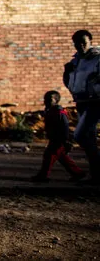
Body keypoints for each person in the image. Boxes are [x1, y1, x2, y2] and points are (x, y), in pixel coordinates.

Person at [63, 29, 100, 185]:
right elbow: (70, 83)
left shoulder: (97, 58)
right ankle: (96, 175)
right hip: (81, 102)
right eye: (77, 44)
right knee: (88, 137)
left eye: (84, 43)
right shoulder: (76, 61)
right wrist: (66, 74)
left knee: (81, 135)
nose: (81, 46)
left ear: (90, 42)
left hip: (96, 101)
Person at [31, 90, 86, 182]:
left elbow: (65, 128)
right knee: (62, 157)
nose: (46, 101)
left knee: (49, 156)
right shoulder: (50, 111)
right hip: (54, 139)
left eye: (49, 99)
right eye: (45, 99)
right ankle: (78, 173)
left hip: (58, 140)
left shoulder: (60, 113)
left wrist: (65, 141)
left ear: (55, 100)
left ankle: (43, 176)